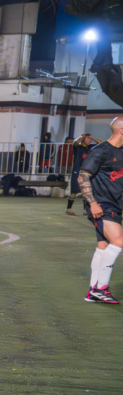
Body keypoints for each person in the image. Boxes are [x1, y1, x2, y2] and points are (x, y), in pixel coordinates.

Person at [77, 117, 123, 304]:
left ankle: (92, 291)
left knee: (103, 246)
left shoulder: (120, 152)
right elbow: (83, 177)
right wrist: (93, 203)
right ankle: (101, 288)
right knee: (119, 240)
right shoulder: (100, 151)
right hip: (101, 204)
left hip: (115, 204)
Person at [66, 133, 101, 215]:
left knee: (87, 191)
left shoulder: (91, 147)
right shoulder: (78, 147)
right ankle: (69, 208)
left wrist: (93, 138)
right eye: (88, 138)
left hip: (87, 172)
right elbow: (75, 142)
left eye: (90, 138)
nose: (90, 140)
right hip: (77, 172)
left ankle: (85, 209)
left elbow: (102, 144)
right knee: (74, 191)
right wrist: (81, 137)